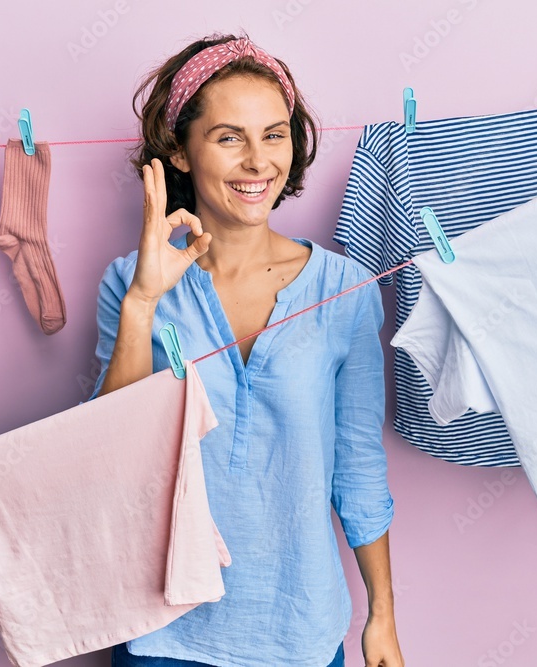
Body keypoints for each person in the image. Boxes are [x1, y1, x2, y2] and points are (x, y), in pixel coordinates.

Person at [92, 34, 406, 667]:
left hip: (298, 629)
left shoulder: (344, 290)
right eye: (229, 137)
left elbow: (358, 465)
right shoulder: (130, 283)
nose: (258, 161)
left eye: (274, 135)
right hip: (161, 630)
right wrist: (144, 302)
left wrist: (382, 618)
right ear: (180, 152)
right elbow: (110, 450)